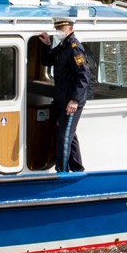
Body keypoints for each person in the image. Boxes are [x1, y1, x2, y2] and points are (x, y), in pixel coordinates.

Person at [38, 18, 93, 173]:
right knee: (70, 135)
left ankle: (62, 171)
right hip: (62, 100)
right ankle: (77, 169)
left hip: (71, 102)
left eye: (61, 29)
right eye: (57, 29)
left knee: (64, 136)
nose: (58, 32)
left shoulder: (74, 47)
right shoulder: (62, 46)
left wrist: (75, 100)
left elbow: (84, 76)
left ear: (70, 29)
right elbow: (47, 60)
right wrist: (47, 45)